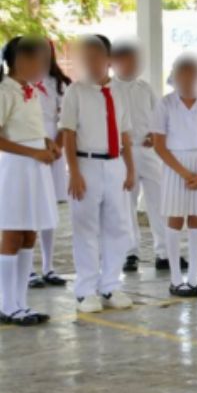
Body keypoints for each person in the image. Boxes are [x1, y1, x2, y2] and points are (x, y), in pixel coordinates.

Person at [60, 35, 135, 313]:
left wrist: (130, 168)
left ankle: (111, 285)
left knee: (118, 227)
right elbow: (68, 133)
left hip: (115, 164)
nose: (90, 63)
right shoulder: (75, 91)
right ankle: (85, 290)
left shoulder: (120, 91)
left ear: (108, 60)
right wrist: (74, 172)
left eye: (95, 57)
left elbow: (125, 133)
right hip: (87, 163)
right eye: (85, 58)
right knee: (86, 227)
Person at [0, 36, 58, 325]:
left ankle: (21, 302)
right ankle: (6, 303)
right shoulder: (5, 92)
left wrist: (48, 143)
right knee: (12, 234)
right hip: (15, 168)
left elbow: (33, 128)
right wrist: (34, 151)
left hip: (36, 166)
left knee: (29, 234)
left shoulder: (31, 90)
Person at [152, 54, 197, 297]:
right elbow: (159, 144)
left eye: (194, 74)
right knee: (175, 218)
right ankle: (175, 278)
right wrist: (184, 173)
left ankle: (193, 278)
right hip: (175, 164)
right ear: (176, 76)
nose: (189, 79)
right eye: (184, 74)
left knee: (196, 218)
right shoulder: (166, 104)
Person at [111, 41, 169, 273]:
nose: (132, 65)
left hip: (148, 151)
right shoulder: (108, 90)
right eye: (127, 60)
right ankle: (130, 253)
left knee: (158, 202)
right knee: (127, 204)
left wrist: (156, 137)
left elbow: (160, 117)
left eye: (135, 61)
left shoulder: (145, 88)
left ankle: (164, 253)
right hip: (124, 153)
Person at [27, 40, 70, 288]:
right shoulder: (21, 84)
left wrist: (58, 145)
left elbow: (65, 119)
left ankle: (48, 266)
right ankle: (28, 267)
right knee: (31, 206)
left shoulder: (59, 83)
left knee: (49, 207)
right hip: (30, 144)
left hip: (55, 145)